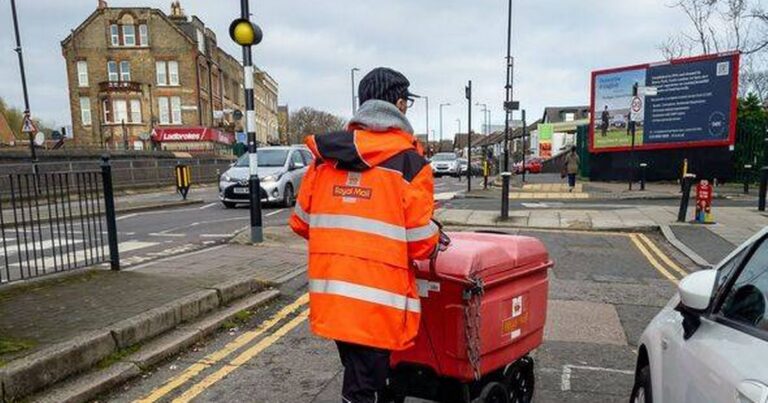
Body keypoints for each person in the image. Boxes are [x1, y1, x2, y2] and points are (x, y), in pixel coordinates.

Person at [289, 67, 439, 403]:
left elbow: (301, 222)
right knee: (363, 387)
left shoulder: (324, 160)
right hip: (379, 300)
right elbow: (421, 244)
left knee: (361, 376)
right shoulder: (410, 165)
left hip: (334, 293)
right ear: (398, 104)